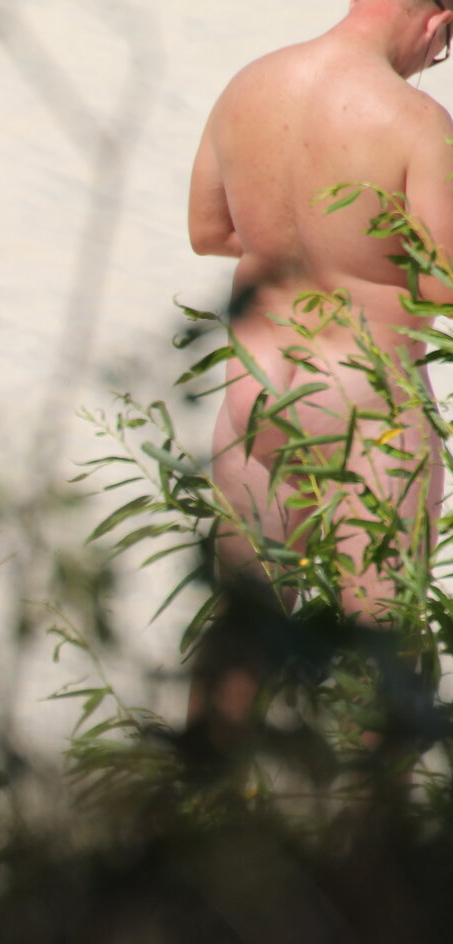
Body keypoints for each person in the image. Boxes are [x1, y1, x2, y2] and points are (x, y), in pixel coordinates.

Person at [187, 0, 453, 730]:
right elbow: (443, 282)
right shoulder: (415, 121)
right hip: (368, 408)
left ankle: (201, 790)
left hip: (256, 394)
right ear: (435, 23)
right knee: (383, 651)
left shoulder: (249, 86)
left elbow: (207, 230)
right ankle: (374, 807)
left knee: (241, 638)